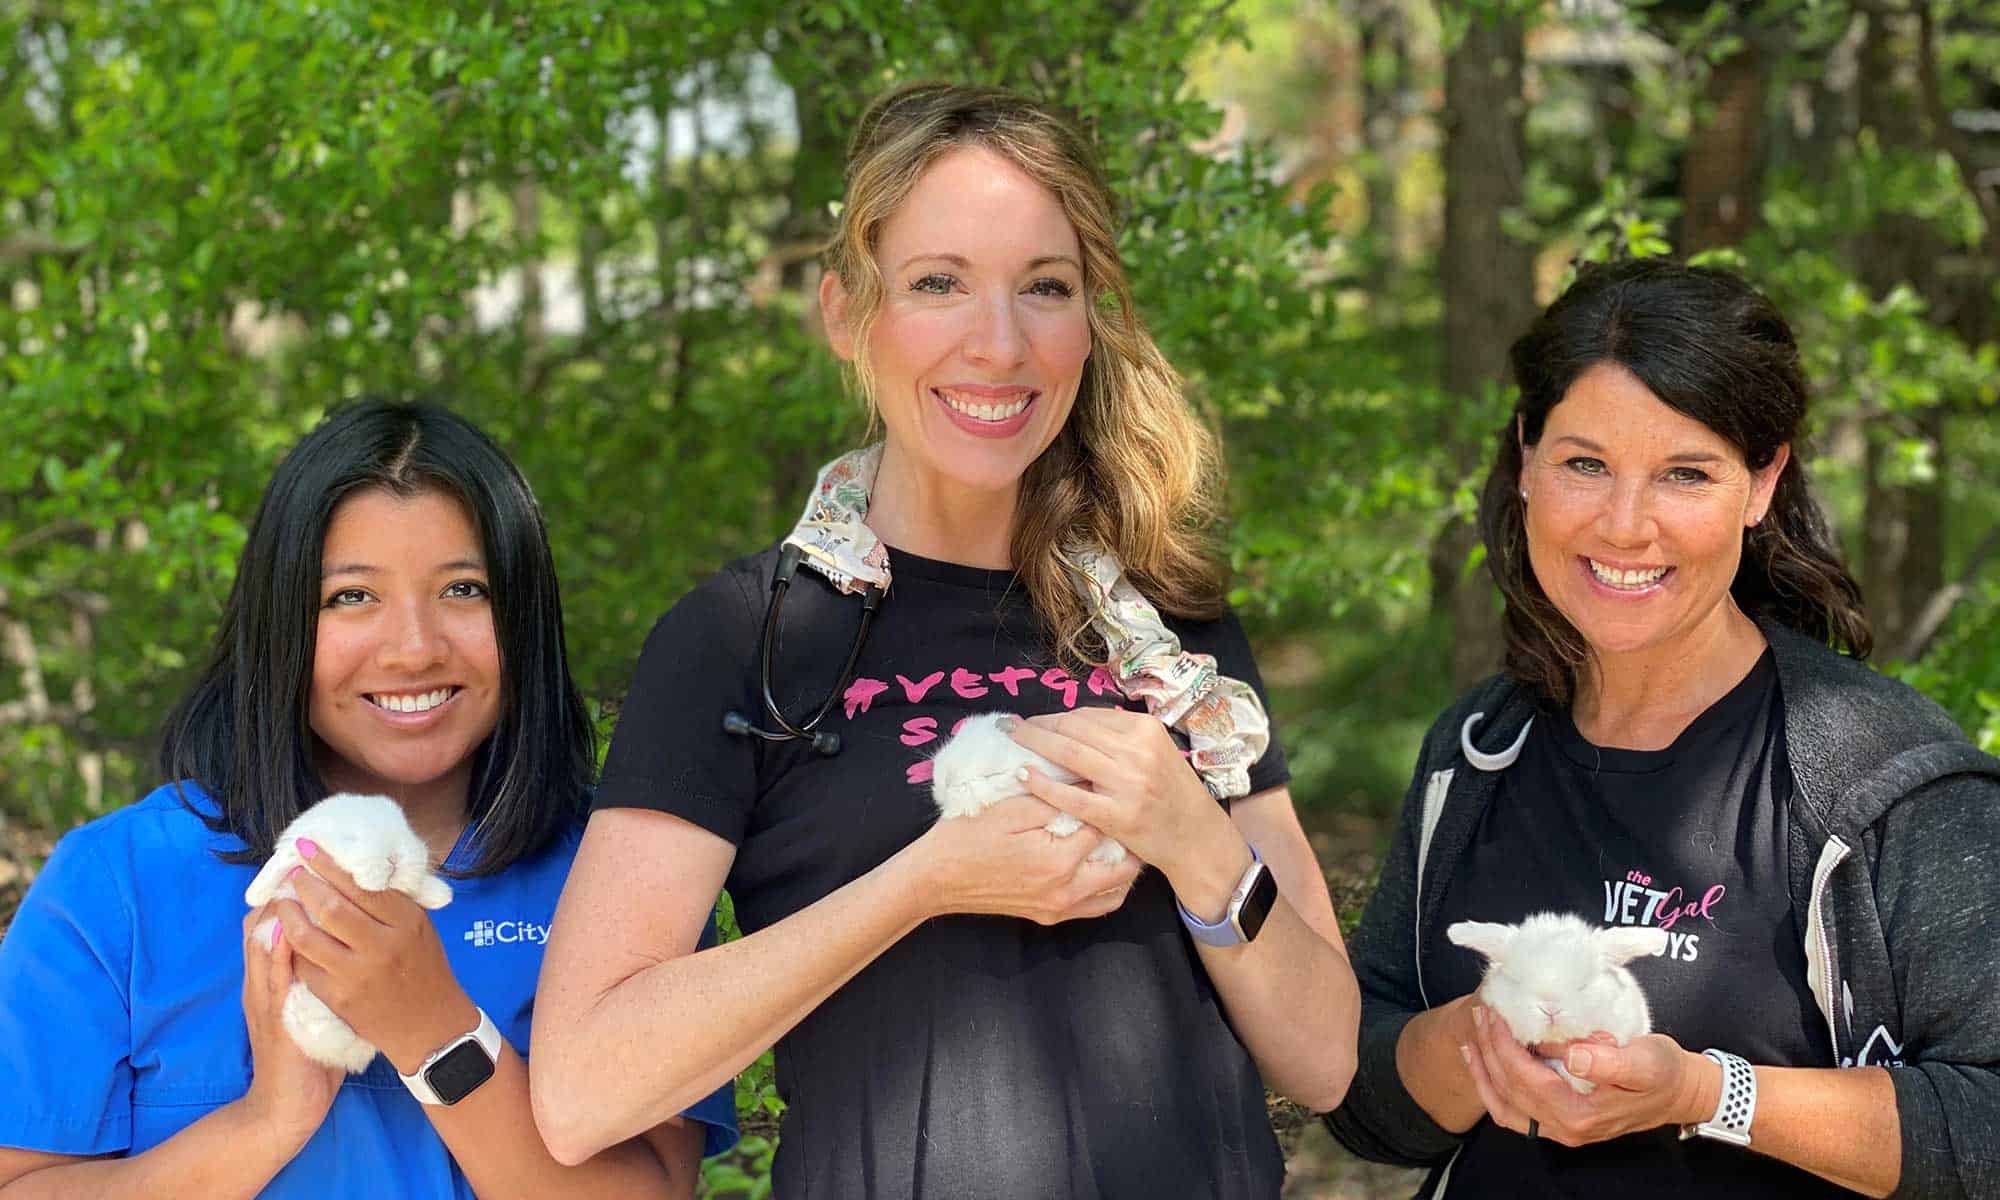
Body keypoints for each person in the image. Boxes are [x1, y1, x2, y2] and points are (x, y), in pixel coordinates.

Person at [529, 82, 1360, 1198]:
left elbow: (1325, 1056)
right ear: (845, 314)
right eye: (937, 285)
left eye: (1043, 288)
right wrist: (921, 883)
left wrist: (1194, 840)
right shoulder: (741, 641)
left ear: (1088, 316)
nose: (998, 344)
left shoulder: (1172, 631)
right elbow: (582, 1089)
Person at [1325, 257, 2000, 1198]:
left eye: (1686, 473)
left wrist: (1702, 1091)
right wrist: (1477, 1041)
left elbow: (1987, 1124)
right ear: (1526, 460)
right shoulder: (1477, 749)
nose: (1626, 525)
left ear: (1763, 483)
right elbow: (1362, 1097)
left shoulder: (1883, 775)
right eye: (1585, 464)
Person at [0, 401, 736, 1199]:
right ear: (280, 622)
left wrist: (436, 1034)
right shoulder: (121, 885)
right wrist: (266, 1122)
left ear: (523, 619)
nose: (415, 648)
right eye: (352, 597)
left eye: (464, 589)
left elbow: (656, 1189)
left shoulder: (625, 880)